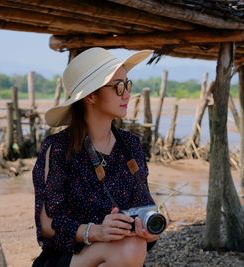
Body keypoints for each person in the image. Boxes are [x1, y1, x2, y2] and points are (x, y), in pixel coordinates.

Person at [32, 47, 160, 267]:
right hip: (69, 257)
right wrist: (95, 232)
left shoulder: (131, 145)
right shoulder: (59, 148)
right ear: (91, 95)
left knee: (134, 246)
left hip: (123, 256)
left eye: (127, 84)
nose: (127, 94)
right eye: (118, 87)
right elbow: (47, 225)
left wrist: (149, 231)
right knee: (130, 249)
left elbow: (144, 205)